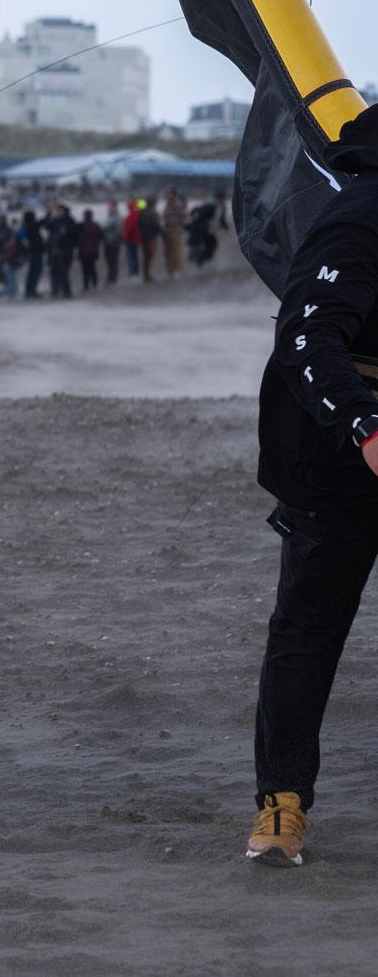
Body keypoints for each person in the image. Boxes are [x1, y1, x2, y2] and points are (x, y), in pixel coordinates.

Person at [242, 171, 378, 867]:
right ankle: (282, 800)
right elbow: (306, 334)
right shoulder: (360, 218)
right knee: (308, 628)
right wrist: (365, 425)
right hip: (338, 450)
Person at [162, 188, 188, 278]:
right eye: (167, 195)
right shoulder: (166, 206)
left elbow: (184, 216)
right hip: (167, 231)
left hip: (176, 231)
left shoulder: (178, 205)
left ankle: (177, 270)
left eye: (170, 194)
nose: (168, 196)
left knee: (176, 252)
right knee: (168, 252)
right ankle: (169, 270)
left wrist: (178, 224)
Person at [77, 208, 102, 292]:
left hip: (84, 250)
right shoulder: (95, 225)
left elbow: (78, 238)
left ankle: (86, 285)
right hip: (93, 250)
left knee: (85, 270)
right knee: (92, 268)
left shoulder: (81, 225)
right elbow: (100, 236)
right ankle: (95, 284)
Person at [102, 200, 123, 287]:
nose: (108, 208)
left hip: (113, 243)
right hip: (107, 242)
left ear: (115, 207)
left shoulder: (117, 217)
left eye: (110, 206)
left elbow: (118, 231)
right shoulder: (109, 216)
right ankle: (110, 278)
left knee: (113, 261)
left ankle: (113, 279)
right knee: (109, 262)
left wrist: (111, 239)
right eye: (108, 206)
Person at [122, 198, 142, 280]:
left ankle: (133, 272)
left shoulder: (132, 215)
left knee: (131, 256)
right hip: (136, 238)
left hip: (131, 239)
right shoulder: (137, 213)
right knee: (134, 255)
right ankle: (135, 271)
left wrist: (125, 237)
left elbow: (130, 228)